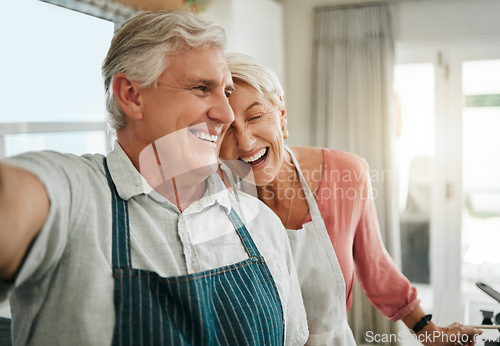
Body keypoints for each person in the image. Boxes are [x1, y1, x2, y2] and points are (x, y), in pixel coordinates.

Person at [0, 11, 309, 346]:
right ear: (132, 95)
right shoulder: (77, 198)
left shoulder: (264, 227)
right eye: (202, 88)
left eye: (226, 91)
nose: (226, 113)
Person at [219, 52, 483, 346]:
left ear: (281, 115)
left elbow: (376, 267)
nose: (244, 141)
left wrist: (429, 332)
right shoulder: (214, 198)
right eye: (226, 128)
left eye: (255, 116)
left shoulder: (345, 173)